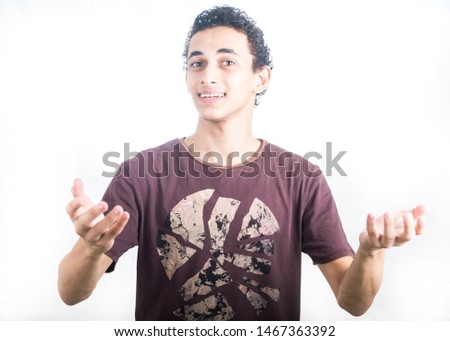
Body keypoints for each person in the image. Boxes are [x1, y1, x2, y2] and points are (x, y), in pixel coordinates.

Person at [58, 5, 428, 321]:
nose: (209, 75)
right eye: (197, 63)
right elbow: (70, 293)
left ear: (261, 78)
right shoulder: (142, 174)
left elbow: (353, 302)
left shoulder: (301, 178)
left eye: (227, 61)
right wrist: (90, 247)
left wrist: (371, 252)